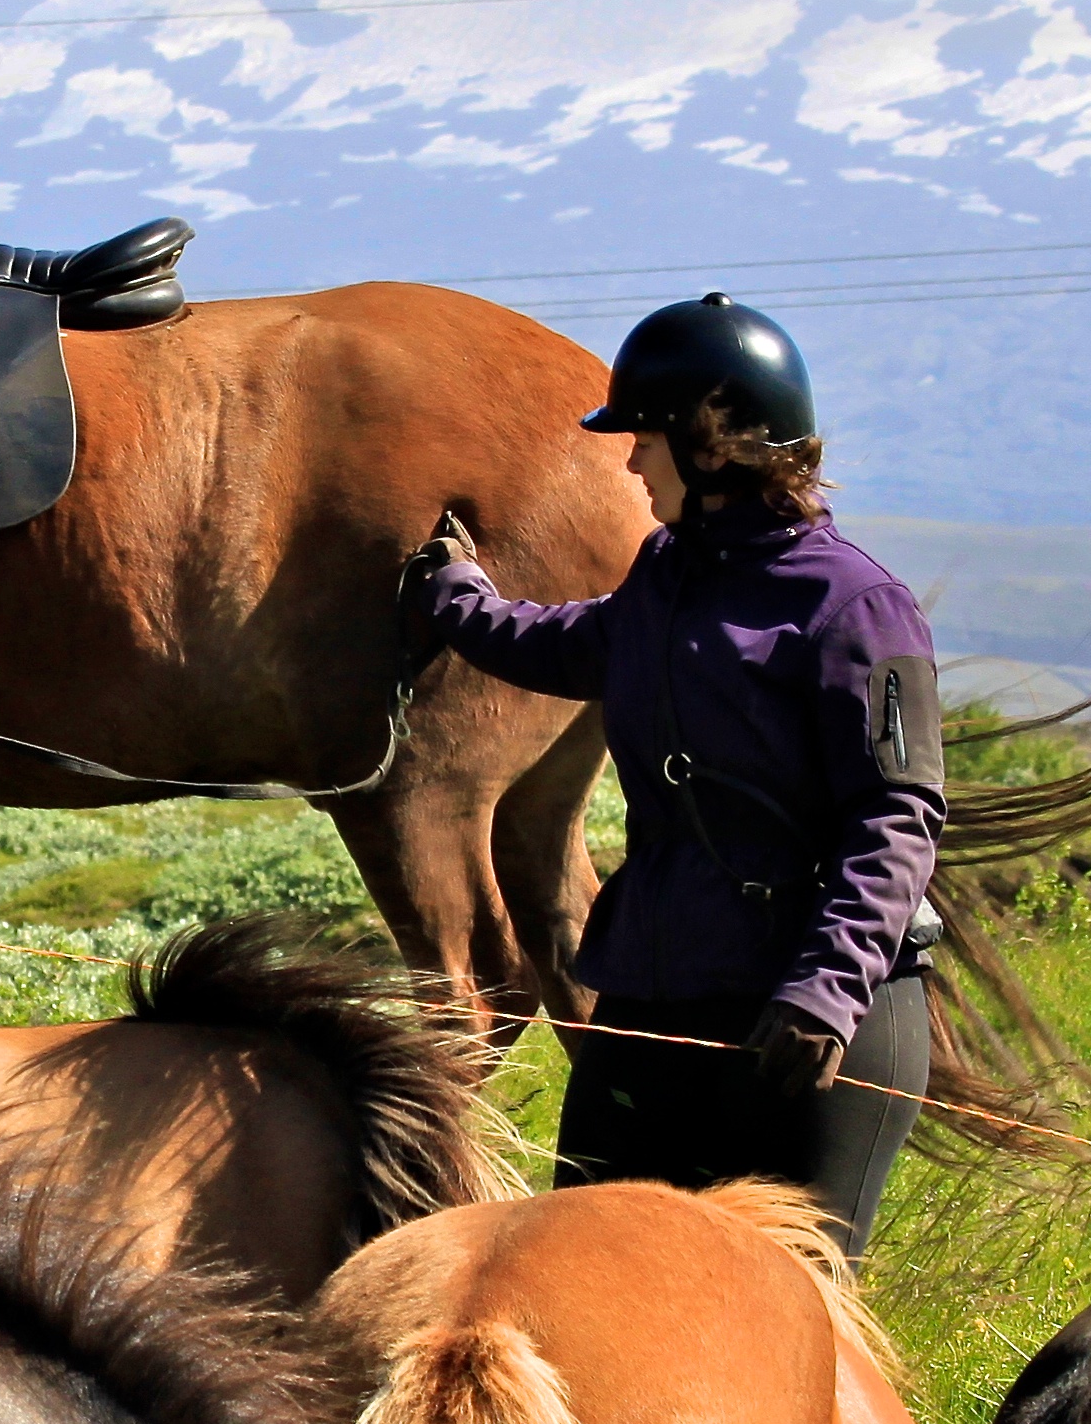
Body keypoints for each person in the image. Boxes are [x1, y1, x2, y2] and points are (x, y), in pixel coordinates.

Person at [403, 293, 947, 1249]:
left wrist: (825, 989)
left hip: (810, 1025)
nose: (628, 458)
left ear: (713, 446)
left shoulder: (861, 606)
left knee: (791, 1313)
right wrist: (458, 597)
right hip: (656, 1000)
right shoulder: (667, 570)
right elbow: (579, 644)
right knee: (586, 1268)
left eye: (645, 437)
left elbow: (897, 817)